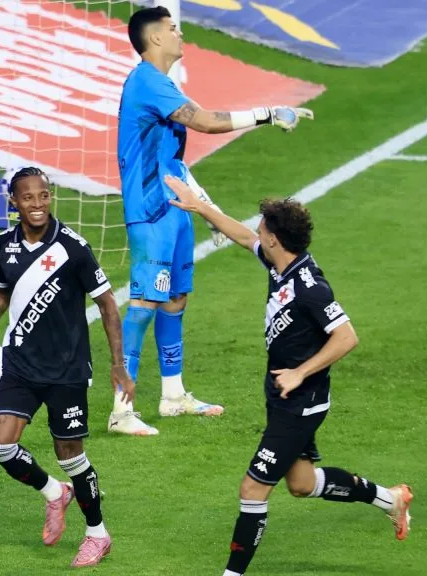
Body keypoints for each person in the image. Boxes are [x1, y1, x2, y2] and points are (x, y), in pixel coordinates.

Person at [163, 174, 413, 576]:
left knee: (252, 489)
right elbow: (244, 237)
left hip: (301, 402)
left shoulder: (310, 286)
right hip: (283, 396)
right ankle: (392, 500)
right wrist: (201, 207)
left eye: (264, 228)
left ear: (277, 239)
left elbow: (346, 337)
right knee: (300, 483)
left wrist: (300, 372)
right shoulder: (279, 263)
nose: (258, 232)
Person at [111, 5, 315, 435]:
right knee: (145, 302)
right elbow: (205, 121)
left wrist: (207, 207)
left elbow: (173, 162)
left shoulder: (160, 83)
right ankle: (121, 410)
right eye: (172, 28)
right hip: (150, 211)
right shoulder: (148, 82)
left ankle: (172, 396)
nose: (180, 32)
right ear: (154, 39)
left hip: (175, 207)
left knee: (175, 300)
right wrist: (269, 113)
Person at [0, 167, 135, 568]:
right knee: (1, 445)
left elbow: (107, 304)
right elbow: (1, 295)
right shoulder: (4, 244)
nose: (38, 204)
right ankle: (55, 493)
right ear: (14, 203)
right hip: (19, 364)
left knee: (70, 454)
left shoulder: (73, 248)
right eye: (28, 198)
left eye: (44, 196)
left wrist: (118, 365)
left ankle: (97, 534)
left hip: (66, 369)